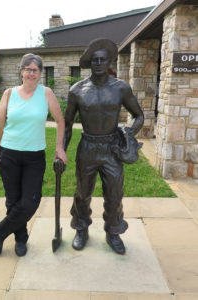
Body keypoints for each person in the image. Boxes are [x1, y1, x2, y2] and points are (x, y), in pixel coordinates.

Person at [64, 38, 144, 255]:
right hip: (88, 147)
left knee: (115, 194)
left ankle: (113, 232)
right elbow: (67, 125)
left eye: (102, 59)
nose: (99, 63)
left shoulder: (121, 88)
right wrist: (60, 152)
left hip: (112, 149)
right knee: (82, 192)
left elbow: (139, 116)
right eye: (95, 60)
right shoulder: (77, 90)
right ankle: (81, 229)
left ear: (109, 62)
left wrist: (128, 134)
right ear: (90, 63)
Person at [0, 53, 67, 256]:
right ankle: (20, 240)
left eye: (35, 70)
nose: (31, 73)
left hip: (34, 156)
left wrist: (59, 147)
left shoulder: (46, 93)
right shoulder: (9, 94)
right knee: (13, 201)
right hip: (9, 154)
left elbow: (60, 121)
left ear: (40, 73)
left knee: (30, 201)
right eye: (28, 69)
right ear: (21, 71)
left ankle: (0, 231)